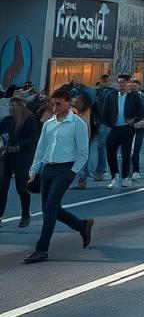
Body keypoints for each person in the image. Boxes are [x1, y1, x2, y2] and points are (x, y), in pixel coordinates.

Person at [23, 86, 94, 264]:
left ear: (68, 103)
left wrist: (73, 172)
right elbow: (41, 149)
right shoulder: (49, 123)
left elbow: (83, 152)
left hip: (65, 170)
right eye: (53, 104)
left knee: (50, 209)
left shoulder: (77, 123)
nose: (54, 107)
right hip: (47, 168)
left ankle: (41, 249)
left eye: (58, 104)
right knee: (53, 209)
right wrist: (33, 171)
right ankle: (81, 225)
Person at [0, 91, 40, 227]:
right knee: (2, 188)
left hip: (22, 157)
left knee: (21, 187)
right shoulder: (6, 121)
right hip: (6, 157)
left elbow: (33, 139)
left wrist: (18, 147)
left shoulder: (30, 120)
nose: (12, 107)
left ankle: (25, 214)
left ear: (22, 105)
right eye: (11, 105)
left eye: (15, 105)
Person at [99, 74, 144, 190]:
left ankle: (125, 177)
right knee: (110, 150)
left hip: (127, 128)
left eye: (123, 82)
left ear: (128, 83)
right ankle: (115, 176)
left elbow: (141, 111)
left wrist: (134, 120)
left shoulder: (134, 96)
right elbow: (104, 112)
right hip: (115, 128)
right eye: (119, 82)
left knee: (126, 153)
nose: (120, 84)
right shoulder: (111, 96)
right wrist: (109, 123)